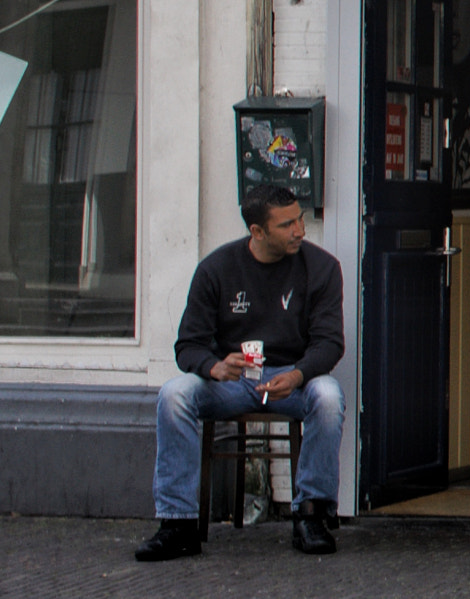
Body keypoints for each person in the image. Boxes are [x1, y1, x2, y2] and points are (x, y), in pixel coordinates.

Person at [136, 184, 345, 562]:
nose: (299, 230)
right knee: (174, 394)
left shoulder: (322, 268)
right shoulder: (216, 269)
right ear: (257, 232)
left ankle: (311, 513)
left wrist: (297, 375)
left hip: (292, 378)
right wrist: (214, 367)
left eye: (299, 219)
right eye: (287, 225)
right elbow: (188, 345)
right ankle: (178, 523)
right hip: (232, 382)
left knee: (329, 396)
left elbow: (329, 344)